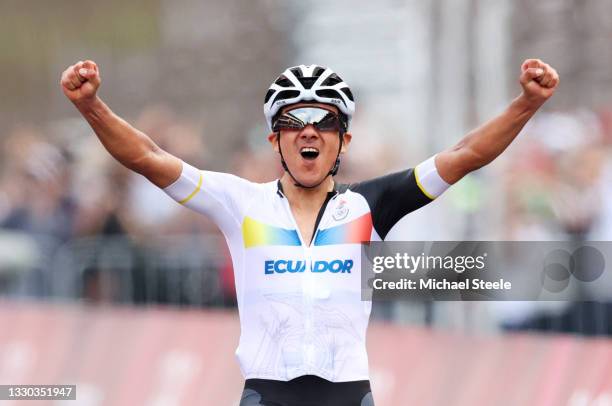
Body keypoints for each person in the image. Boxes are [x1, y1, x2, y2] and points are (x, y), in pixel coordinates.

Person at [61, 59, 559, 406]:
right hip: (267, 393)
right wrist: (91, 107)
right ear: (274, 137)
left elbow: (465, 155)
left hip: (348, 393)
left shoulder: (370, 205)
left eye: (324, 120)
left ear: (343, 139)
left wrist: (526, 103)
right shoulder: (240, 203)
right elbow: (148, 158)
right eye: (292, 120)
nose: (308, 130)